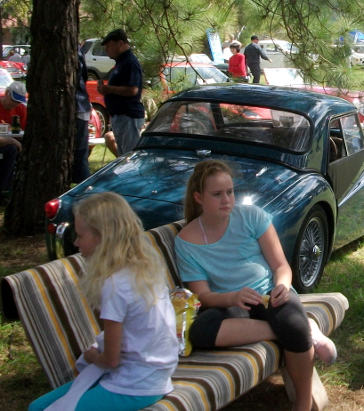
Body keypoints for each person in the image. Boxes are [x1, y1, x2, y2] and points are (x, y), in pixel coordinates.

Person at [174, 160, 336, 411]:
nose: (226, 200)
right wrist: (232, 298)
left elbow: (281, 266)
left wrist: (283, 286)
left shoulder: (251, 216)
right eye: (217, 194)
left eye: (230, 192)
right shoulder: (186, 241)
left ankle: (303, 402)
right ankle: (304, 328)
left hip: (269, 294)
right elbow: (202, 295)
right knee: (201, 331)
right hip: (230, 304)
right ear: (198, 197)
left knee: (292, 325)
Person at [29, 192, 178, 411]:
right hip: (151, 374)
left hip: (136, 386)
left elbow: (110, 360)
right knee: (37, 407)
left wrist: (91, 356)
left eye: (80, 236)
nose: (76, 243)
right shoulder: (143, 269)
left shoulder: (115, 285)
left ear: (101, 237)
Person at [96, 29, 145, 156]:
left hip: (128, 116)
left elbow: (132, 90)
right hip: (120, 116)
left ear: (120, 44)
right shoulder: (121, 63)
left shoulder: (129, 62)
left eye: (109, 46)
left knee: (130, 157)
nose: (106, 50)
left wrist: (109, 89)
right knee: (124, 157)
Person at [0, 81, 27, 202]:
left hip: (14, 144)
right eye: (13, 100)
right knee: (11, 150)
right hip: (8, 145)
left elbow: (25, 132)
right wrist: (12, 140)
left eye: (18, 102)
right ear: (6, 93)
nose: (15, 104)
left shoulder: (21, 109)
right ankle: (4, 190)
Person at [74, 47, 92, 184]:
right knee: (80, 152)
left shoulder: (74, 50)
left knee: (80, 153)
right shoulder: (77, 50)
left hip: (78, 104)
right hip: (80, 104)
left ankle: (83, 187)